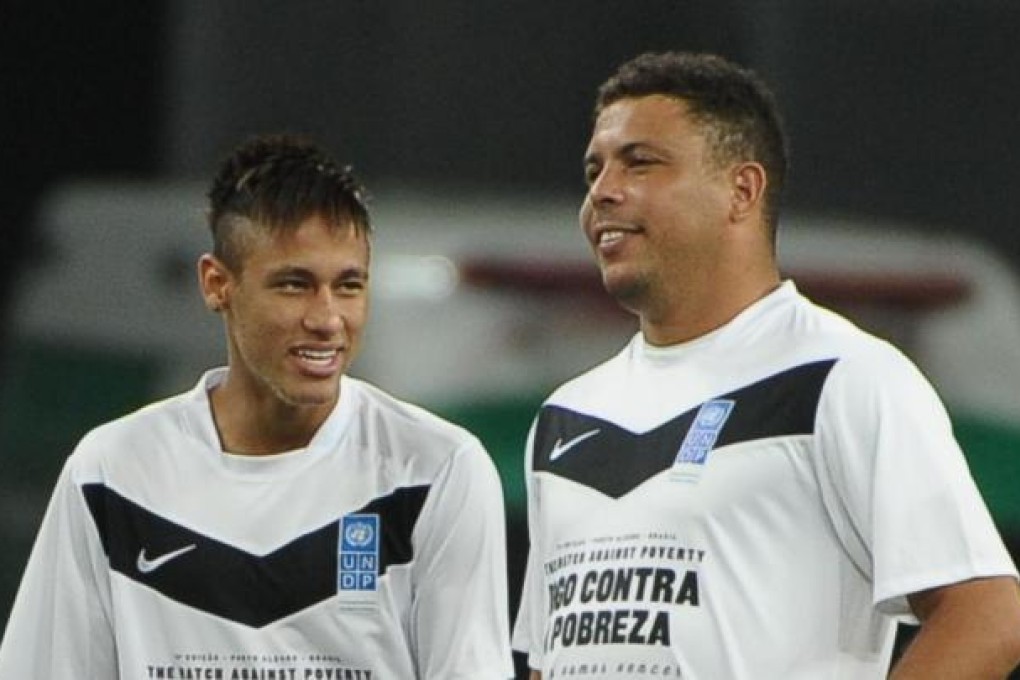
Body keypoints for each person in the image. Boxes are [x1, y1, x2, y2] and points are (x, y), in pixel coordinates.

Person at [511, 51, 1020, 679]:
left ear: (741, 190)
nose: (601, 192)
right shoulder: (565, 417)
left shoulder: (842, 377)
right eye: (594, 170)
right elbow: (551, 657)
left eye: (640, 162)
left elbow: (990, 614)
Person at [0, 134, 515, 679]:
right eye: (294, 285)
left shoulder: (436, 470)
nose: (327, 318)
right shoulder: (111, 472)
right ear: (217, 284)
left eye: (348, 286)